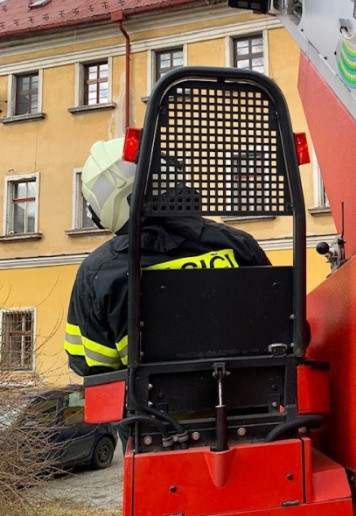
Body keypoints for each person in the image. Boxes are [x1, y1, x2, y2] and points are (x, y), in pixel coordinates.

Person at [64, 136, 270, 379]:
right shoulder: (238, 245)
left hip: (147, 403)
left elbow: (91, 367)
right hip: (253, 398)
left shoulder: (98, 273)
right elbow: (280, 329)